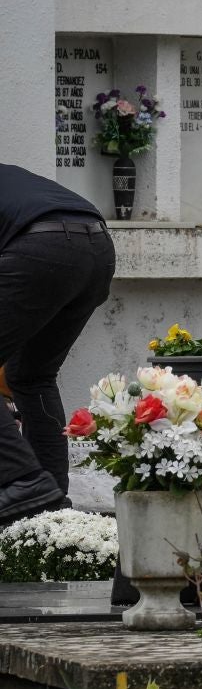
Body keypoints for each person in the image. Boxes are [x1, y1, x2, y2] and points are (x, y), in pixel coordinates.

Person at [0, 162, 117, 522]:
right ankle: (52, 502)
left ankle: (24, 480)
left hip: (39, 245)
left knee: (30, 376)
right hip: (98, 246)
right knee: (32, 376)